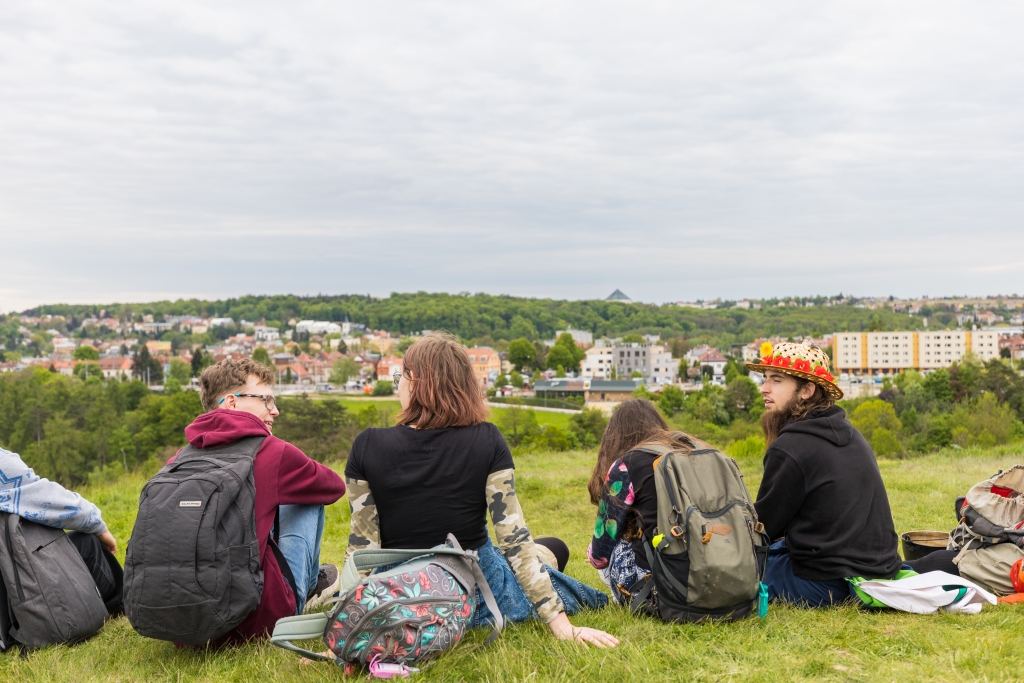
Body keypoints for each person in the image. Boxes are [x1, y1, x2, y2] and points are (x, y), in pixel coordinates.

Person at [344, 333, 618, 648]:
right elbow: (513, 539)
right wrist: (561, 625)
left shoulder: (367, 445)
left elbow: (361, 547)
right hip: (480, 593)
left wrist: (348, 618)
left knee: (550, 550)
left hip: (400, 595)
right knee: (563, 566)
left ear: (415, 382)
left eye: (400, 377)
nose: (398, 386)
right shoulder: (487, 439)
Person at [187, 358, 346, 641]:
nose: (275, 410)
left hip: (186, 620)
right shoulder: (272, 452)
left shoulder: (181, 458)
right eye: (266, 400)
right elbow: (333, 486)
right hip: (259, 622)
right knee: (308, 495)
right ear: (233, 404)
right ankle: (307, 588)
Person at [747, 341, 902, 607]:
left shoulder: (790, 447)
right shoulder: (850, 434)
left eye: (776, 380)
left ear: (807, 390)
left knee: (746, 566)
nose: (764, 388)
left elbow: (762, 529)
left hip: (826, 583)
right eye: (765, 379)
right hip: (878, 571)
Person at [586, 399, 703, 607]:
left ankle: (625, 594)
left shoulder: (626, 465)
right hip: (710, 568)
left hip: (663, 588)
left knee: (607, 541)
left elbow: (599, 555)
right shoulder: (689, 452)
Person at [0, 447, 123, 615]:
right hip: (11, 594)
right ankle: (126, 602)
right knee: (88, 544)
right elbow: (47, 499)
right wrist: (99, 527)